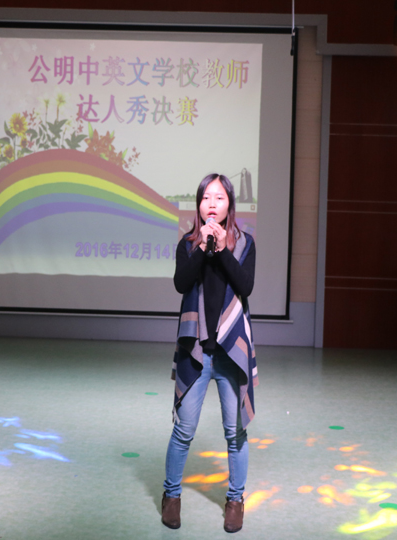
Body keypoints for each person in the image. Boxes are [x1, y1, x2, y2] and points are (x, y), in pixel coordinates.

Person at [162, 173, 257, 533]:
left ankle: (235, 500)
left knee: (235, 433)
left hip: (231, 353)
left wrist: (222, 250)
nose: (212, 204)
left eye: (219, 198)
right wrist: (203, 247)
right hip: (197, 352)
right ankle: (171, 496)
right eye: (206, 198)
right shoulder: (188, 244)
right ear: (199, 205)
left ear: (230, 204)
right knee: (183, 430)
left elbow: (245, 285)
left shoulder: (244, 244)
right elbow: (181, 283)